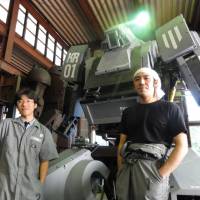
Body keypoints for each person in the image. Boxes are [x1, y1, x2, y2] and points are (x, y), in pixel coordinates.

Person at [116, 67, 188, 200]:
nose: (141, 82)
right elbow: (121, 144)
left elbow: (182, 146)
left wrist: (160, 174)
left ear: (155, 82)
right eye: (137, 79)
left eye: (146, 78)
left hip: (152, 169)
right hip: (127, 167)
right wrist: (121, 170)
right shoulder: (128, 112)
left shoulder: (170, 109)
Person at [0, 88, 59, 200]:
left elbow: (44, 161)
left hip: (28, 192)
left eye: (28, 101)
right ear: (17, 105)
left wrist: (40, 186)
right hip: (4, 189)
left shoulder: (43, 132)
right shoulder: (5, 125)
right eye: (20, 101)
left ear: (35, 105)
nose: (24, 104)